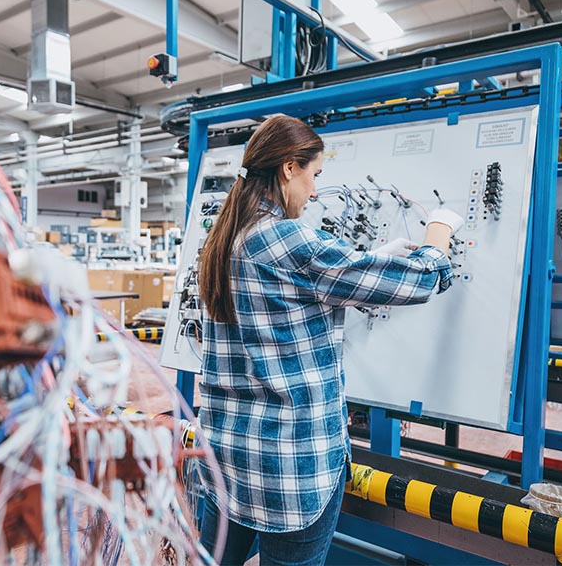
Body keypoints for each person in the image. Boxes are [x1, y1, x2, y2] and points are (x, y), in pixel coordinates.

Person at [196, 115, 464, 566]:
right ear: (289, 168)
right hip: (291, 471)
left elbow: (291, 295)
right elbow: (419, 280)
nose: (316, 191)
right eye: (314, 174)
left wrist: (367, 260)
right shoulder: (289, 239)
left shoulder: (223, 239)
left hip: (227, 458)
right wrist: (439, 231)